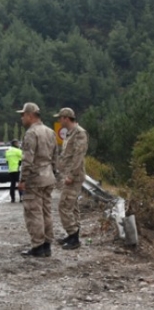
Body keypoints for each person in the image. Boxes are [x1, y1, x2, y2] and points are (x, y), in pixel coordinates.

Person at [17, 102, 57, 257]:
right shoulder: (50, 132)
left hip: (35, 178)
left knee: (33, 212)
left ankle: (37, 245)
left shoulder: (31, 133)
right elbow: (55, 156)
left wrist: (23, 179)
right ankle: (47, 245)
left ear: (30, 115)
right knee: (47, 211)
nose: (21, 118)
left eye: (23, 115)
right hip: (48, 176)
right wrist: (54, 173)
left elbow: (27, 159)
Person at [55, 107, 88, 250]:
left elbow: (78, 156)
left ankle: (74, 237)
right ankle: (73, 235)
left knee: (64, 206)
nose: (59, 121)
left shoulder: (79, 133)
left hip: (74, 175)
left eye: (60, 118)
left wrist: (71, 175)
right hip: (68, 174)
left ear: (66, 118)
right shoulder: (70, 133)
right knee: (72, 206)